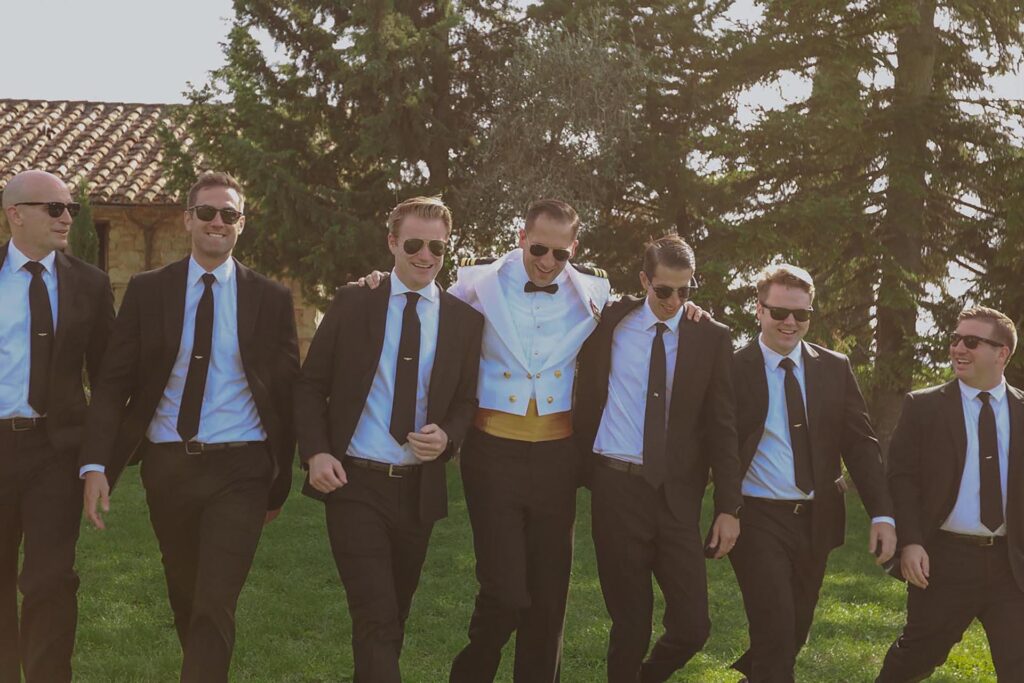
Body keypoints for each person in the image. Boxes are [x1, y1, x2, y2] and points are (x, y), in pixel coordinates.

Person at [80, 171, 299, 682]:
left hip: (241, 469)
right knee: (186, 595)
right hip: (169, 467)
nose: (217, 222)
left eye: (229, 215)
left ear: (241, 225)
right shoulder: (147, 290)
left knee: (215, 600)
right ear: (187, 219)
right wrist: (96, 464)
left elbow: (289, 391)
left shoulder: (270, 298)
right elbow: (112, 383)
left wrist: (283, 477)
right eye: (207, 212)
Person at [294, 196, 483, 683]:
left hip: (418, 491)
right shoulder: (355, 301)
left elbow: (466, 401)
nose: (426, 256)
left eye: (436, 247)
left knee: (393, 618)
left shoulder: (464, 321)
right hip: (355, 484)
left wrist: (448, 437)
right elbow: (312, 384)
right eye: (415, 244)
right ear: (393, 243)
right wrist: (316, 451)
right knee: (376, 616)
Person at [573, 235, 742, 683]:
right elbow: (549, 276)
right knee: (630, 625)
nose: (673, 301)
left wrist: (729, 506)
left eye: (685, 291)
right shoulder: (607, 321)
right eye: (663, 290)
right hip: (615, 490)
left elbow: (723, 426)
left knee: (693, 626)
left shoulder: (711, 337)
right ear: (644, 280)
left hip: (677, 497)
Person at [729, 264, 896, 683]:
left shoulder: (834, 367)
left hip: (817, 519)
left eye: (801, 315)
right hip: (756, 517)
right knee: (777, 625)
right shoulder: (732, 367)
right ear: (759, 310)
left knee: (795, 629)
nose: (790, 323)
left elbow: (860, 444)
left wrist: (882, 513)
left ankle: (759, 672)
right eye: (779, 312)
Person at [0, 170, 114, 681]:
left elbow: (109, 381)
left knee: (49, 580)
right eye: (54, 207)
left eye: (70, 208)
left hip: (55, 451)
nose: (67, 216)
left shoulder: (90, 284)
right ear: (16, 213)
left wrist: (96, 462)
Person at [876, 306, 1023, 682]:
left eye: (971, 342)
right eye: (955, 339)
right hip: (945, 560)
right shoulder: (923, 407)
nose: (959, 348)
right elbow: (902, 479)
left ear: (1002, 353)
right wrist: (911, 542)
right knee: (914, 659)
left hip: (1013, 564)